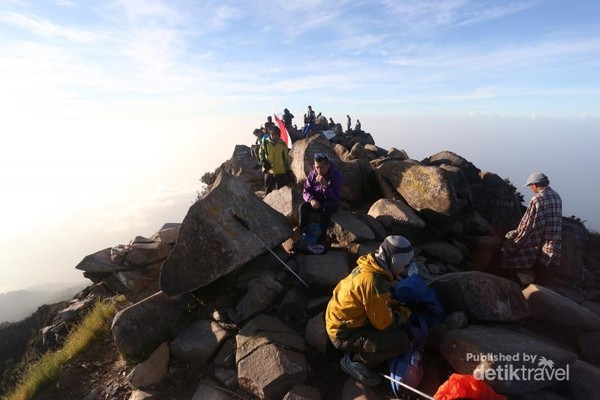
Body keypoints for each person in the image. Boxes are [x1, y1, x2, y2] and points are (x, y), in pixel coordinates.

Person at [326, 235, 413, 386]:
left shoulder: (370, 265)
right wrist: (406, 310)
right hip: (343, 334)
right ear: (394, 261)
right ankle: (356, 363)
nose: (405, 268)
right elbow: (384, 324)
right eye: (405, 265)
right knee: (401, 341)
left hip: (341, 320)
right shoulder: (374, 283)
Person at [501, 172, 562, 285]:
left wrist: (514, 238)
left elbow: (527, 224)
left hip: (540, 247)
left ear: (535, 185)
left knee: (510, 258)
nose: (530, 188)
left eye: (530, 186)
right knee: (543, 281)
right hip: (554, 246)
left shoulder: (538, 199)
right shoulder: (556, 196)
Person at [298, 153, 342, 244]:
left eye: (322, 168)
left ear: (328, 165)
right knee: (303, 206)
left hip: (331, 202)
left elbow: (335, 197)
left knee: (326, 208)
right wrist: (311, 199)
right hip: (317, 201)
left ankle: (321, 238)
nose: (319, 170)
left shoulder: (336, 175)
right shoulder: (313, 174)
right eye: (317, 167)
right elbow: (306, 191)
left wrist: (326, 186)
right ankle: (303, 234)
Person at [259, 126, 291, 194]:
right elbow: (261, 153)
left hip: (280, 171)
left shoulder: (282, 144)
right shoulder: (265, 143)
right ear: (270, 134)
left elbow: (286, 158)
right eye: (272, 134)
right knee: (268, 189)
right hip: (269, 170)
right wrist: (263, 161)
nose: (274, 136)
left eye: (276, 135)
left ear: (279, 135)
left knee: (280, 190)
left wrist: (288, 169)